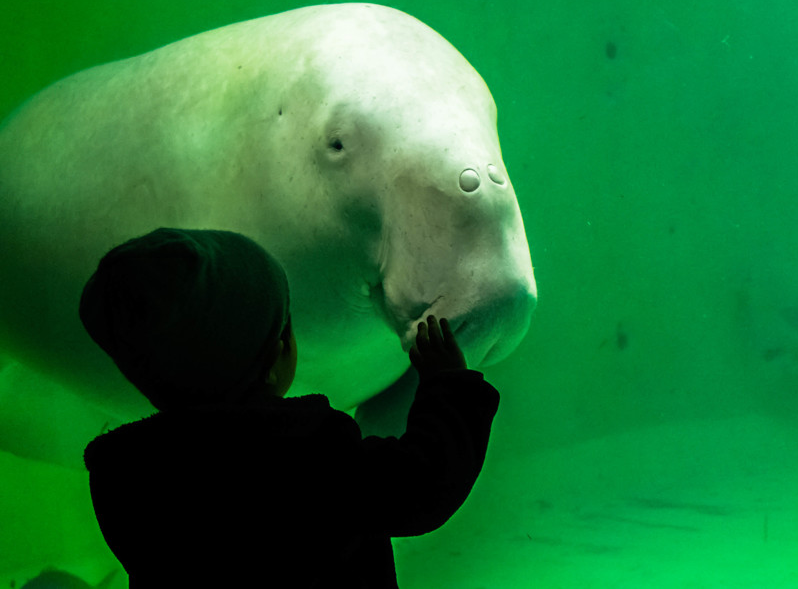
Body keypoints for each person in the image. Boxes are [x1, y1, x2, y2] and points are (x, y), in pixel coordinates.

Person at [79, 228, 500, 589]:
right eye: (285, 324)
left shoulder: (123, 479)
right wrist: (447, 387)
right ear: (278, 355)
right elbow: (423, 484)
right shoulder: (310, 454)